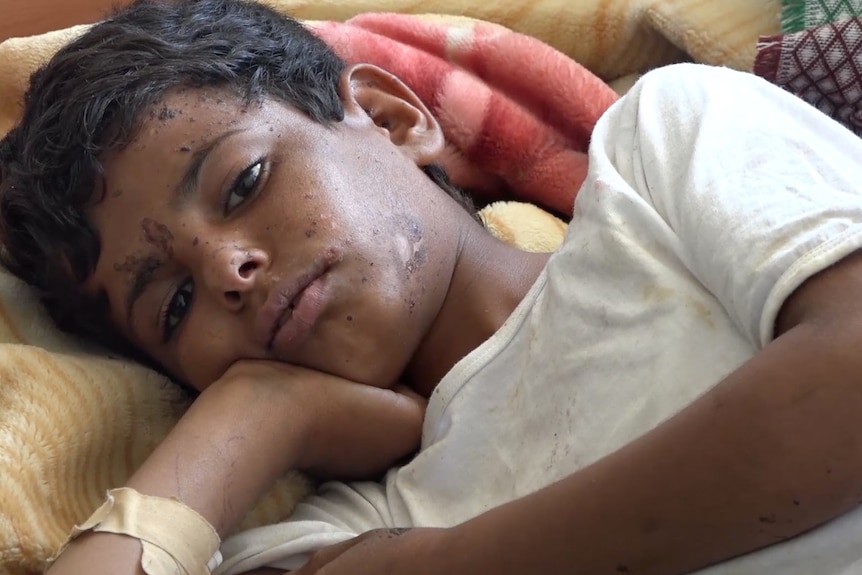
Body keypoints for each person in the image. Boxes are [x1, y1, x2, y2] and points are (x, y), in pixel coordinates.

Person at [4, 0, 862, 574]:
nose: (229, 268)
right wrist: (260, 414)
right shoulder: (329, 530)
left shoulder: (660, 153)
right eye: (174, 304)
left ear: (390, 117)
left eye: (244, 182)